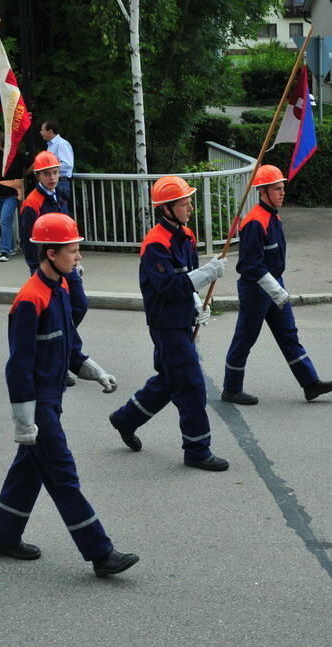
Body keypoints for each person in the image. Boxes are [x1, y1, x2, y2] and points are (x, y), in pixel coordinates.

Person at [0, 213, 138, 578]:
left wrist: (96, 372)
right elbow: (18, 367)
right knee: (62, 475)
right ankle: (101, 553)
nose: (79, 256)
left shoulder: (62, 288)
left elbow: (69, 348)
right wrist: (23, 421)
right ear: (51, 254)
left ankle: (4, 536)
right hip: (38, 405)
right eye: (73, 250)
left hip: (52, 398)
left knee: (29, 469)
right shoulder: (30, 300)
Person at [108, 176, 231, 471]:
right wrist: (208, 273)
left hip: (181, 319)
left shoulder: (186, 236)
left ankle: (125, 418)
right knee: (190, 385)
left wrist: (201, 304)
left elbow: (187, 283)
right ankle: (197, 450)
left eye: (189, 201)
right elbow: (170, 286)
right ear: (167, 208)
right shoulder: (155, 244)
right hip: (165, 324)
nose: (190, 207)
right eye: (184, 203)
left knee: (169, 380)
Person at [221, 165, 332, 405]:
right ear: (263, 191)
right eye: (277, 188)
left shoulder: (272, 215)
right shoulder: (255, 222)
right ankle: (231, 389)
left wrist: (277, 287)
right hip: (256, 290)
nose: (282, 192)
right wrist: (274, 288)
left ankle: (310, 383)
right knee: (245, 339)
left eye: (282, 187)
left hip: (274, 285)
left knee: (289, 335)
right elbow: (250, 265)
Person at [20, 151, 88, 387]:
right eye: (47, 173)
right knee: (59, 315)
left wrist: (76, 260)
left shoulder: (60, 195)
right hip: (48, 269)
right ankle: (62, 359)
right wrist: (37, 270)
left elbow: (68, 232)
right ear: (38, 175)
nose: (52, 177)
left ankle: (60, 349)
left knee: (79, 306)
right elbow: (29, 242)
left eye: (56, 172)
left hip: (67, 264)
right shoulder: (32, 204)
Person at [0, 131, 26, 262]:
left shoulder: (17, 155)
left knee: (4, 220)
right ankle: (11, 245)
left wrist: (23, 176)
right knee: (3, 220)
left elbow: (30, 163)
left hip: (11, 193)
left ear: (2, 141)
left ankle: (4, 250)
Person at [40, 119, 74, 203]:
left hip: (60, 183)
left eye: (43, 130)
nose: (40, 132)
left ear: (50, 131)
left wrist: (48, 169)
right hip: (54, 182)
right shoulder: (51, 145)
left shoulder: (61, 144)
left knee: (60, 212)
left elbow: (67, 165)